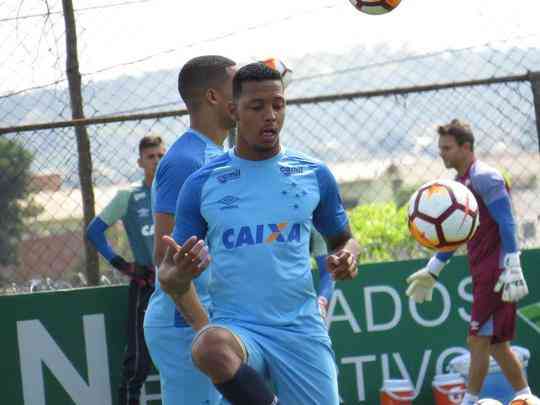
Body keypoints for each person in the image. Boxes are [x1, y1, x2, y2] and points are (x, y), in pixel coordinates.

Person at [158, 62, 360, 405]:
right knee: (208, 347)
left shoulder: (314, 174)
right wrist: (176, 275)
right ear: (234, 110)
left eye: (278, 105)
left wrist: (348, 256)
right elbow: (167, 274)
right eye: (257, 106)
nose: (270, 115)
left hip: (301, 329)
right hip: (239, 330)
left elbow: (343, 239)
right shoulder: (202, 183)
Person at [405, 119, 532, 405]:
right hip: (483, 271)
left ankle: (469, 401)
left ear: (466, 147)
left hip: (496, 273)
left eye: (447, 148)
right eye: (440, 148)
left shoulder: (486, 177)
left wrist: (512, 264)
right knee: (498, 345)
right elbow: (457, 235)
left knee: (477, 340)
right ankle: (525, 396)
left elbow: (507, 222)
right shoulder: (459, 186)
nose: (442, 153)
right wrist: (433, 269)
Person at [143, 55, 237, 405]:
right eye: (236, 88)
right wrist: (202, 326)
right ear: (213, 97)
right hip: (185, 325)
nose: (244, 96)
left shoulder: (220, 153)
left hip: (213, 318)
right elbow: (165, 257)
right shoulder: (186, 161)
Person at [86, 134, 165, 405]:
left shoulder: (178, 191)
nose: (156, 161)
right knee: (137, 362)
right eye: (151, 157)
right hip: (145, 285)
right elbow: (94, 231)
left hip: (179, 282)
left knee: (194, 350)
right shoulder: (128, 196)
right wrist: (122, 264)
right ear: (140, 161)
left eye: (160, 156)